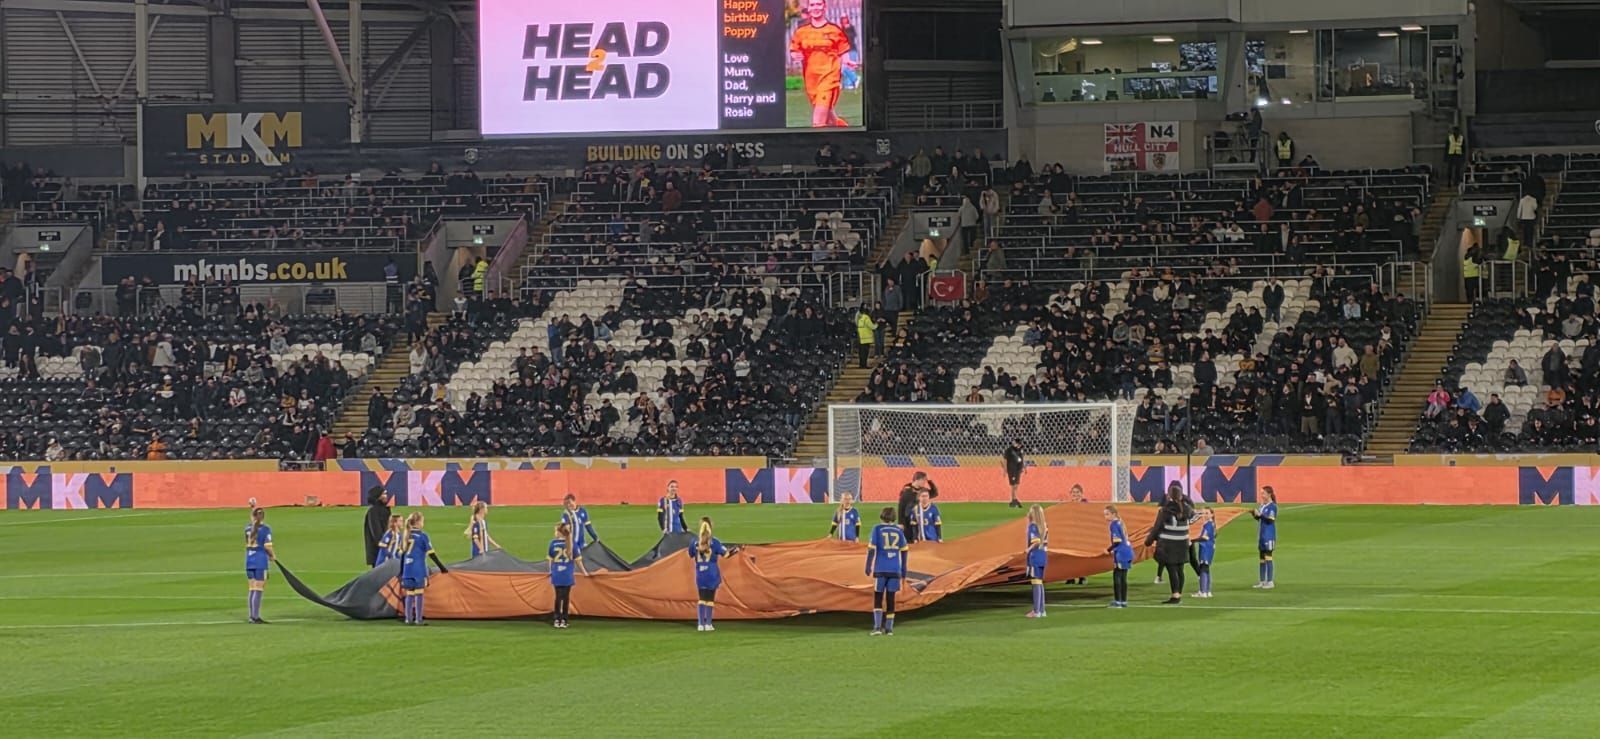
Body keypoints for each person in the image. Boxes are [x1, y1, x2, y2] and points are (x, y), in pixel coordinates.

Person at [789, 0, 855, 128]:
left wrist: (847, 60)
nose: (816, 8)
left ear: (824, 7)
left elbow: (843, 51)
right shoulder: (801, 32)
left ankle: (818, 146)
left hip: (830, 77)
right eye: (812, 5)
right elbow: (794, 50)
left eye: (819, 4)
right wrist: (795, 55)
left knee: (818, 122)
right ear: (808, 8)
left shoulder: (834, 30)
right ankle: (848, 133)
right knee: (831, 120)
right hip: (811, 80)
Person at [1143, 482, 1195, 604]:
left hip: (1168, 544)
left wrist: (1148, 541)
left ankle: (1175, 595)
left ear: (1169, 496)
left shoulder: (1165, 510)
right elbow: (1193, 517)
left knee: (1172, 569)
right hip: (1182, 543)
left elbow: (1157, 527)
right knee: (1180, 569)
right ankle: (1179, 594)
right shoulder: (1187, 509)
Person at [400, 512, 449, 626]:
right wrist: (442, 568)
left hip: (407, 569)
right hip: (418, 569)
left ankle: (408, 619)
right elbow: (431, 554)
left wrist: (401, 571)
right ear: (418, 522)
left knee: (409, 593)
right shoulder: (423, 536)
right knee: (419, 593)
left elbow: (402, 554)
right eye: (422, 521)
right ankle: (418, 619)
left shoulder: (406, 535)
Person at [866, 507, 907, 635]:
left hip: (881, 568)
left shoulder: (877, 529)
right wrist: (903, 570)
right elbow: (905, 550)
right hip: (895, 569)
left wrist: (868, 566)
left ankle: (877, 627)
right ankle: (889, 629)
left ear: (881, 516)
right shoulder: (898, 531)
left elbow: (872, 549)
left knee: (878, 597)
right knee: (891, 598)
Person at [690, 517, 735, 631]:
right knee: (710, 599)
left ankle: (700, 624)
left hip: (700, 573)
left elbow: (690, 554)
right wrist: (735, 550)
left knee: (701, 598)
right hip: (711, 572)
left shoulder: (694, 542)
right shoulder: (715, 542)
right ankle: (708, 624)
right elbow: (726, 555)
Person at [548, 521, 588, 629]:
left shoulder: (552, 543)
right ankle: (564, 620)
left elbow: (550, 560)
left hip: (557, 574)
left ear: (559, 532)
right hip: (567, 574)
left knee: (557, 597)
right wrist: (584, 572)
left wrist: (550, 571)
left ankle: (557, 619)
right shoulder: (572, 544)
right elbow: (578, 561)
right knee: (566, 597)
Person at [245, 507, 275, 624]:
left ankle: (252, 615)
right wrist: (272, 556)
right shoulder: (265, 529)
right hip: (260, 561)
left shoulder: (247, 529)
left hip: (249, 560)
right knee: (258, 589)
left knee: (252, 588)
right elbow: (268, 546)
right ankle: (255, 617)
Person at [1103, 505, 1134, 608]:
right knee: (1123, 577)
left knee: (1117, 577)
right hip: (1128, 551)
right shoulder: (1121, 522)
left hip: (1121, 553)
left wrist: (1108, 550)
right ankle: (1124, 601)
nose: (1105, 517)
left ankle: (1118, 601)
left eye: (1107, 514)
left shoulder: (1114, 524)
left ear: (1114, 514)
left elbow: (1117, 541)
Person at [896, 471, 937, 542]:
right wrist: (901, 522)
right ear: (917, 480)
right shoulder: (906, 491)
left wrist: (930, 481)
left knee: (921, 539)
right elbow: (901, 507)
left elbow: (934, 493)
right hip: (908, 521)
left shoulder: (922, 490)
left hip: (921, 519)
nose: (925, 482)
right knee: (909, 541)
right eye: (923, 480)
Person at [1251, 486, 1278, 589]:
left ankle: (1270, 581)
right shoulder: (1263, 505)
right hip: (1261, 535)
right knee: (1261, 559)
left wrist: (1260, 515)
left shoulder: (1272, 507)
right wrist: (1254, 514)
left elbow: (1270, 520)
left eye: (1263, 493)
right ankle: (1262, 581)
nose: (1261, 495)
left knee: (1268, 557)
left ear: (1269, 494)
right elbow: (1260, 519)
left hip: (1269, 535)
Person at [1025, 504, 1049, 618]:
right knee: (1040, 582)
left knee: (1035, 583)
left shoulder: (1033, 526)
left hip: (1035, 556)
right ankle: (1042, 610)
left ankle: (1036, 611)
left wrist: (1027, 550)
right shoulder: (1044, 526)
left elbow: (1035, 542)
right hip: (1043, 555)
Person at [362, 485, 392, 568]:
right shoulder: (373, 511)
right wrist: (385, 545)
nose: (386, 496)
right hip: (379, 552)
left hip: (388, 549)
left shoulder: (385, 510)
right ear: (377, 496)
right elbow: (376, 532)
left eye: (386, 494)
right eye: (383, 494)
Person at [1192, 508, 1217, 598]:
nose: (1205, 515)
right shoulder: (1212, 524)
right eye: (1204, 513)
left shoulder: (1208, 525)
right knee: (1206, 569)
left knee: (1203, 568)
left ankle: (1202, 591)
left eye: (1207, 513)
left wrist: (1193, 540)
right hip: (1210, 548)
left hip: (1205, 548)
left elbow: (1204, 537)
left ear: (1212, 515)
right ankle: (1207, 591)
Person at [1003, 439, 1025, 509]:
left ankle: (1014, 500)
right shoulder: (1009, 450)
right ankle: (1014, 500)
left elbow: (1022, 459)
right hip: (1012, 469)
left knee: (1016, 485)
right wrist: (1005, 469)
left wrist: (1024, 467)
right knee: (1013, 485)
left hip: (1018, 469)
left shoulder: (1020, 450)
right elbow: (1005, 460)